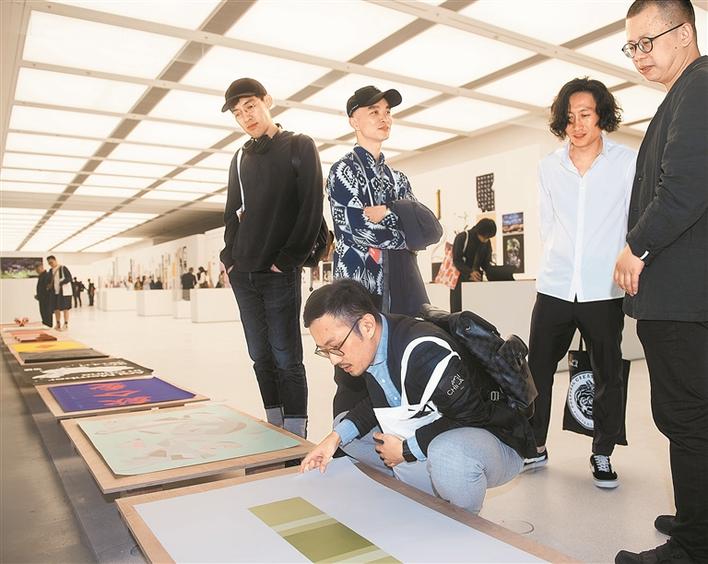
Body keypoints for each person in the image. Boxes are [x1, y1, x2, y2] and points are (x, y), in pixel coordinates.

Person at [300, 279, 536, 514]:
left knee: (449, 455)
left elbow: (472, 415)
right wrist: (333, 439)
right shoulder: (374, 344)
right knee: (344, 430)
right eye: (325, 351)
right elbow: (381, 402)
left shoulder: (425, 352)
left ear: (367, 326)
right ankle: (416, 492)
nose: (334, 359)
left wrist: (407, 449)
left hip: (495, 439)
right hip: (433, 434)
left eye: (335, 346)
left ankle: (463, 522)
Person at [613, 1, 707, 562]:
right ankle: (697, 516)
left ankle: (694, 545)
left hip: (681, 294)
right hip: (685, 294)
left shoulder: (699, 87)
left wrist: (635, 246)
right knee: (695, 416)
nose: (639, 55)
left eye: (648, 41)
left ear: (686, 32)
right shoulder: (684, 93)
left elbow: (685, 187)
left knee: (687, 418)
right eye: (632, 46)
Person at [525, 77, 637, 489]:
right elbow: (547, 224)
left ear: (601, 115)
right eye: (569, 117)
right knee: (537, 370)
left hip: (603, 288)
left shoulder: (626, 162)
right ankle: (535, 444)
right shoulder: (548, 166)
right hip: (555, 285)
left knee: (609, 374)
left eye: (585, 115)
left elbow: (633, 221)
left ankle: (602, 452)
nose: (577, 125)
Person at [327, 84, 442, 418]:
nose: (384, 118)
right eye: (374, 111)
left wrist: (389, 210)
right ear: (354, 120)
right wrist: (403, 231)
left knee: (397, 362)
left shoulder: (398, 178)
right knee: (352, 369)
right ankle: (345, 437)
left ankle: (395, 432)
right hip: (358, 287)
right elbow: (355, 229)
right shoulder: (342, 171)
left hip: (398, 285)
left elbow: (427, 230)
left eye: (387, 112)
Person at [220, 77, 323, 438]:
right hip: (244, 273)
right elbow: (232, 212)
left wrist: (288, 260)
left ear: (268, 101)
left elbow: (311, 208)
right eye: (237, 113)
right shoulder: (240, 158)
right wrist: (229, 258)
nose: (245, 116)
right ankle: (274, 427)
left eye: (250, 106)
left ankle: (295, 435)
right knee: (259, 356)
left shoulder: (299, 146)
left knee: (286, 356)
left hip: (279, 271)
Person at [450, 218, 497, 312]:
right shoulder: (462, 237)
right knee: (458, 311)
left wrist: (495, 273)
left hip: (476, 283)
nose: (486, 240)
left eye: (488, 237)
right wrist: (470, 272)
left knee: (476, 310)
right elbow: (457, 260)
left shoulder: (486, 242)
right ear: (479, 231)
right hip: (459, 282)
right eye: (485, 237)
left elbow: (486, 263)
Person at [46, 255, 72, 331]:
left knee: (65, 308)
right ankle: (58, 323)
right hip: (54, 292)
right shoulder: (50, 271)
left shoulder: (63, 268)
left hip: (63, 292)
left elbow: (69, 278)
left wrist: (61, 282)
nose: (50, 264)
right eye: (49, 263)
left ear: (55, 260)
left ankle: (66, 324)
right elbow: (49, 281)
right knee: (55, 308)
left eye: (51, 262)